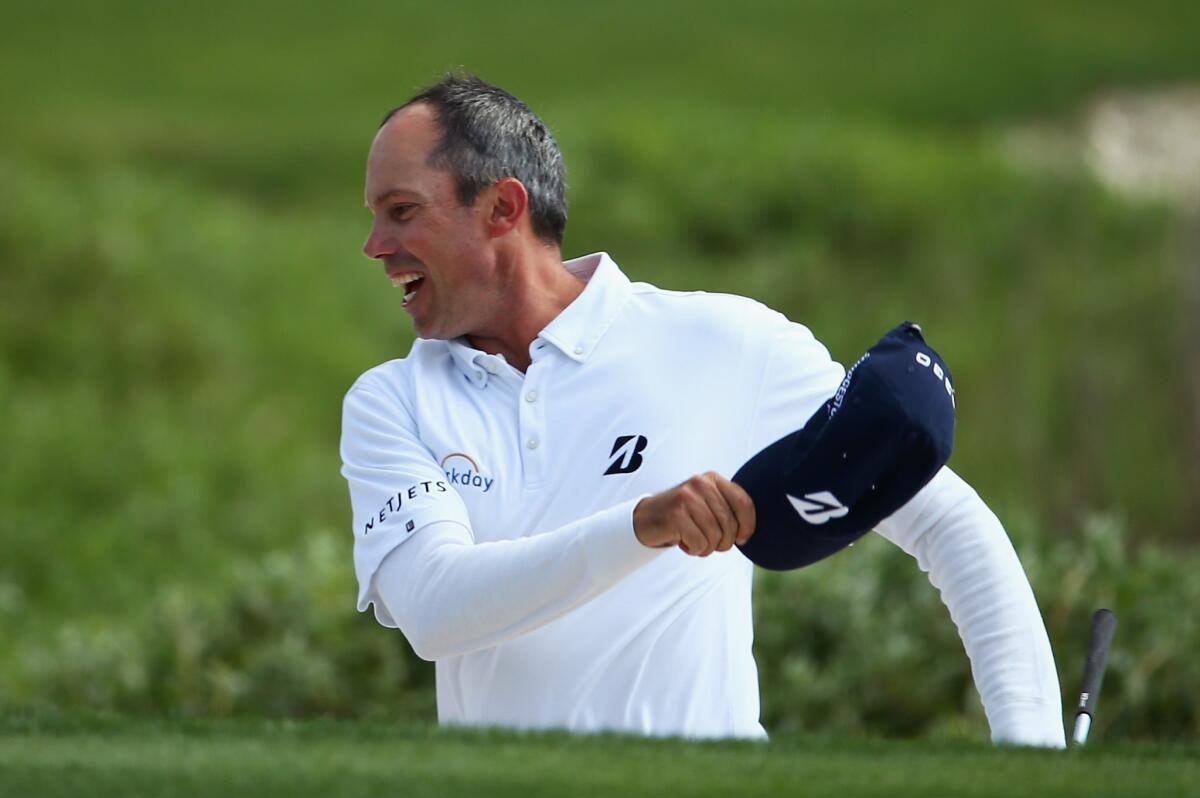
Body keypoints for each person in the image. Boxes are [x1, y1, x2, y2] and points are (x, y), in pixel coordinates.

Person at [340, 73, 1065, 745]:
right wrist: (641, 527)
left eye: (401, 212)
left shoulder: (725, 342)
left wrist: (1031, 754)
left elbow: (949, 523)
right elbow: (435, 610)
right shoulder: (391, 401)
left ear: (502, 207)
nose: (375, 247)